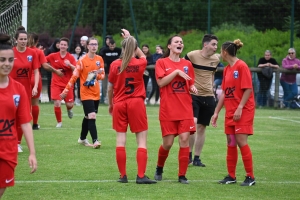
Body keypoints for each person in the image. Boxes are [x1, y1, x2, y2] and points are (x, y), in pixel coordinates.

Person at [107, 29, 157, 184]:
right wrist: (131, 40)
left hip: (119, 103)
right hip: (136, 103)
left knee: (120, 140)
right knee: (141, 141)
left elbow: (110, 88)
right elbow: (142, 55)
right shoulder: (140, 63)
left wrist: (110, 104)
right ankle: (141, 176)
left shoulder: (115, 65)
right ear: (135, 48)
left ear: (122, 48)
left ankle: (123, 176)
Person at [211, 39, 256, 186]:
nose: (220, 53)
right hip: (231, 111)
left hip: (242, 110)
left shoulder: (241, 66)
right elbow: (224, 92)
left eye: (220, 51)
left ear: (225, 52)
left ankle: (250, 177)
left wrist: (240, 107)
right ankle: (231, 176)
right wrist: (216, 112)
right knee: (231, 143)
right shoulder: (227, 69)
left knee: (241, 141)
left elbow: (248, 88)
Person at [153, 35, 197, 184]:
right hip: (168, 110)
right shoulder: (161, 62)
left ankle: (182, 175)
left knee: (184, 140)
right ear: (169, 46)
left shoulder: (187, 64)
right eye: (176, 42)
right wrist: (176, 72)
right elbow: (161, 82)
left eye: (181, 42)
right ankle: (159, 167)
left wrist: (193, 87)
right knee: (168, 143)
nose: (180, 44)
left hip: (185, 109)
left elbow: (190, 83)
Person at [0, 33, 37, 199]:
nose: (6, 64)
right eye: (2, 60)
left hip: (8, 149)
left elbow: (25, 122)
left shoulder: (18, 89)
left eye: (10, 60)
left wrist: (32, 153)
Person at [61, 37, 104, 149]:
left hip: (96, 92)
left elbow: (102, 76)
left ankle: (82, 138)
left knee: (87, 116)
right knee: (92, 115)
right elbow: (74, 77)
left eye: (96, 44)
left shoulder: (100, 59)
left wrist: (96, 74)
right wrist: (66, 90)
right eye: (92, 44)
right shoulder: (82, 61)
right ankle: (95, 141)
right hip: (85, 93)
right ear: (88, 46)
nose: (94, 46)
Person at [185, 34, 220, 167]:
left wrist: (212, 90)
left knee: (202, 127)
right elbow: (183, 68)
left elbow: (212, 75)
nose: (215, 47)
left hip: (209, 96)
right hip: (193, 95)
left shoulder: (216, 59)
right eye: (213, 44)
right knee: (192, 124)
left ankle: (197, 158)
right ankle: (188, 154)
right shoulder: (192, 55)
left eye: (216, 45)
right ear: (205, 45)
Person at [10, 26, 39, 153]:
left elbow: (37, 71)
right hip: (10, 90)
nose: (23, 41)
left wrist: (36, 86)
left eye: (25, 39)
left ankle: (17, 143)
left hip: (25, 90)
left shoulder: (32, 53)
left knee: (24, 116)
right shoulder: (10, 53)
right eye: (21, 39)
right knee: (11, 116)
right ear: (16, 40)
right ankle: (9, 140)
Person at [27, 33, 63, 130]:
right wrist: (56, 71)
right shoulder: (38, 52)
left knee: (24, 103)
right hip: (35, 78)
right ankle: (34, 124)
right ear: (37, 41)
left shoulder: (22, 51)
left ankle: (21, 123)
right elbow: (45, 66)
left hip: (22, 78)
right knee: (34, 103)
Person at [46, 37, 76, 128]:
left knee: (69, 104)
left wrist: (69, 65)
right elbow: (43, 62)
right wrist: (54, 70)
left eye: (64, 45)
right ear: (59, 45)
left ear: (67, 47)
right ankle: (59, 122)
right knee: (57, 102)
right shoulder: (53, 56)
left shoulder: (70, 57)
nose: (62, 46)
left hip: (68, 85)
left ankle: (69, 109)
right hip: (56, 84)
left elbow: (76, 69)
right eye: (61, 44)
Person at [100, 39, 122, 104]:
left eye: (113, 46)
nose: (112, 48)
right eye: (110, 46)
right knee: (105, 85)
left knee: (115, 85)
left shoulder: (118, 50)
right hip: (106, 70)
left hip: (116, 71)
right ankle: (106, 98)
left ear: (115, 45)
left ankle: (115, 98)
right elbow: (100, 56)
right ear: (108, 45)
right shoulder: (104, 50)